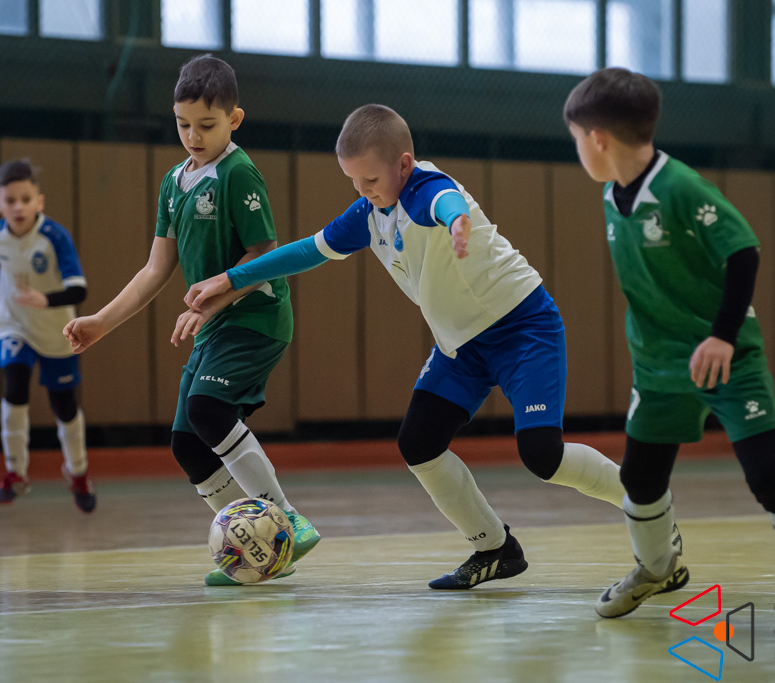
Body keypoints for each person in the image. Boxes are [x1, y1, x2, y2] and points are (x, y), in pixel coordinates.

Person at [178, 103, 627, 590]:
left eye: (370, 180)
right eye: (353, 181)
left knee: (542, 455)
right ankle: (495, 548)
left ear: (404, 164)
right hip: (461, 348)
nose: (362, 190)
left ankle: (642, 499)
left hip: (522, 329)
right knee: (419, 444)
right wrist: (231, 279)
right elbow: (307, 250)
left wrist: (458, 221)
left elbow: (444, 201)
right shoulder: (372, 213)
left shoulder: (425, 189)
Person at [563, 67, 775, 637]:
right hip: (658, 366)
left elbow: (743, 250)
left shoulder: (681, 187)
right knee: (640, 482)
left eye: (576, 137)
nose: (577, 148)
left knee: (770, 478)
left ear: (597, 139)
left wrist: (723, 334)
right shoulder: (611, 195)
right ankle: (656, 569)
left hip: (728, 359)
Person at [62, 54, 319, 585]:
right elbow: (156, 269)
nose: (193, 136)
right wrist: (101, 322)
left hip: (256, 316)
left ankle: (286, 519)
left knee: (207, 407)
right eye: (183, 124)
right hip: (214, 323)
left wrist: (212, 303)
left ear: (234, 120)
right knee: (186, 443)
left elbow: (264, 252)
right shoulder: (174, 183)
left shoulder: (238, 173)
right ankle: (259, 551)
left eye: (206, 125)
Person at [0, 158, 95, 513]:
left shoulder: (55, 237)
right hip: (13, 323)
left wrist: (44, 299)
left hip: (55, 331)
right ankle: (15, 472)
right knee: (14, 388)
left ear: (39, 202)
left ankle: (78, 472)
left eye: (25, 199)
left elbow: (79, 290)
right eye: (10, 200)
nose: (18, 207)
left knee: (64, 407)